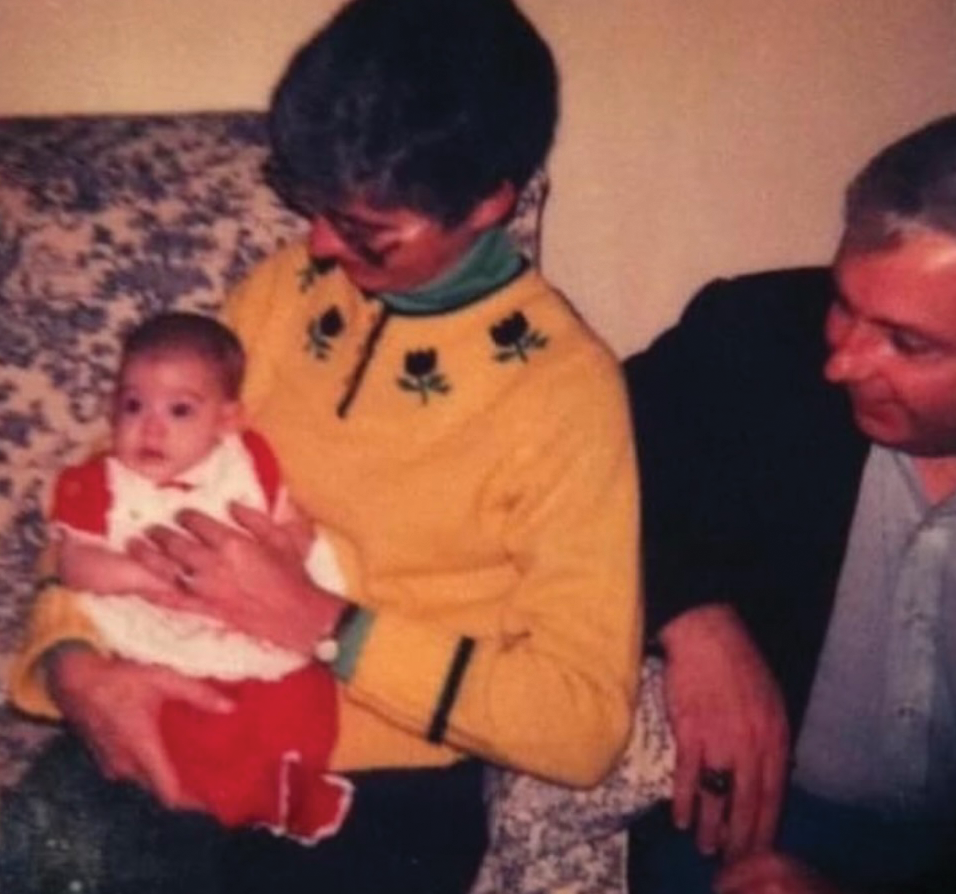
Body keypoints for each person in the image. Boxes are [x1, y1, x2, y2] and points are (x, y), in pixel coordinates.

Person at [7, 1, 640, 892]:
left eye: (366, 231)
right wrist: (73, 669)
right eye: (311, 205)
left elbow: (583, 722)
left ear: (491, 201)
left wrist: (321, 624)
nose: (318, 244)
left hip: (374, 787)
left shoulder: (564, 396)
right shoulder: (286, 291)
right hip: (168, 700)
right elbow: (106, 492)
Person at [624, 106, 956, 893]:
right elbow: (585, 453)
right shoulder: (758, 331)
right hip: (760, 815)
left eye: (908, 343)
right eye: (845, 304)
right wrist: (695, 614)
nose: (842, 363)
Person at [51, 311, 351, 841]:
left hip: (253, 616)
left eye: (180, 410)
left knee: (301, 697)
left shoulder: (248, 462)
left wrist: (295, 549)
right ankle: (209, 804)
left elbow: (284, 520)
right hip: (160, 635)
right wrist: (143, 578)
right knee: (187, 723)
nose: (151, 426)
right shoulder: (101, 483)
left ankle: (292, 785)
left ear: (227, 420)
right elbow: (73, 563)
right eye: (133, 405)